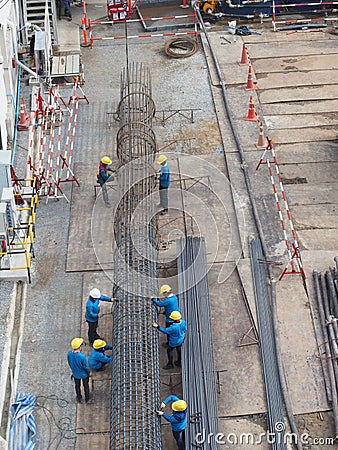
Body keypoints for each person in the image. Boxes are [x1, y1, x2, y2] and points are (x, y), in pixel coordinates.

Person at [67, 338, 91, 403]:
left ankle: (79, 398)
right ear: (79, 347)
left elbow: (69, 363)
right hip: (84, 374)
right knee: (86, 385)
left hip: (75, 374)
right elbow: (85, 367)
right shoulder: (82, 356)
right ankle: (87, 398)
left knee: (77, 386)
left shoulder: (69, 354)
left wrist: (73, 370)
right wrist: (89, 372)